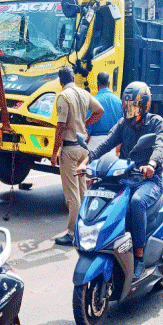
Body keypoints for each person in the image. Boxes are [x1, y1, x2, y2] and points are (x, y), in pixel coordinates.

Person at [78, 82, 163, 279]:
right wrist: (86, 161)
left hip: (148, 180)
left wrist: (151, 164)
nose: (128, 109)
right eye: (126, 105)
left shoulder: (155, 122)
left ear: (144, 106)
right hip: (127, 178)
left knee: (136, 203)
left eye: (133, 106)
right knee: (111, 205)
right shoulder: (123, 124)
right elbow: (107, 143)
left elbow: (159, 146)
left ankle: (140, 258)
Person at [51, 66, 103, 246]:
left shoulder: (64, 97)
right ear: (73, 77)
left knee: (72, 195)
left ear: (60, 81)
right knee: (82, 191)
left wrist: (54, 152)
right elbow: (99, 110)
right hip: (83, 149)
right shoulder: (83, 93)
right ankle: (85, 227)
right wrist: (85, 125)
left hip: (70, 150)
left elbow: (60, 128)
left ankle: (73, 233)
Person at [86, 71, 122, 152]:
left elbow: (87, 129)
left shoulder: (93, 101)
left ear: (97, 84)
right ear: (109, 84)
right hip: (114, 145)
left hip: (95, 144)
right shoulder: (119, 102)